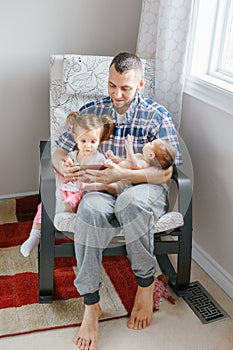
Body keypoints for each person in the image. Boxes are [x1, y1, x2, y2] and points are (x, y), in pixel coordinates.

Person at [51, 52, 182, 350]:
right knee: (90, 211)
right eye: (112, 85)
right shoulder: (92, 111)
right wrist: (65, 166)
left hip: (142, 188)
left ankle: (145, 285)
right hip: (98, 188)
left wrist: (123, 175)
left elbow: (167, 172)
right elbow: (58, 152)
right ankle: (91, 304)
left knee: (130, 204)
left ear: (141, 84)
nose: (117, 94)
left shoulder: (157, 115)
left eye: (125, 87)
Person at [20, 112, 114, 258]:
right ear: (76, 139)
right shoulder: (71, 156)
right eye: (83, 141)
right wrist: (66, 168)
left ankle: (63, 208)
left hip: (83, 194)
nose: (88, 146)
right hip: (66, 189)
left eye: (93, 141)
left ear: (99, 140)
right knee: (43, 206)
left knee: (72, 201)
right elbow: (62, 174)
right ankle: (34, 236)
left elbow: (106, 178)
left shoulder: (100, 158)